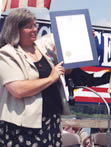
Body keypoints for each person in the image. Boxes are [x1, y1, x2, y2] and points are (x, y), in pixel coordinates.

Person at [0, 8, 70, 146]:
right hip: (23, 126)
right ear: (15, 29)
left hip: (51, 120)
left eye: (35, 25)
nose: (35, 29)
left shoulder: (42, 48)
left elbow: (64, 70)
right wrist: (50, 78)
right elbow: (18, 90)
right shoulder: (6, 54)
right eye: (28, 27)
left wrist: (84, 41)